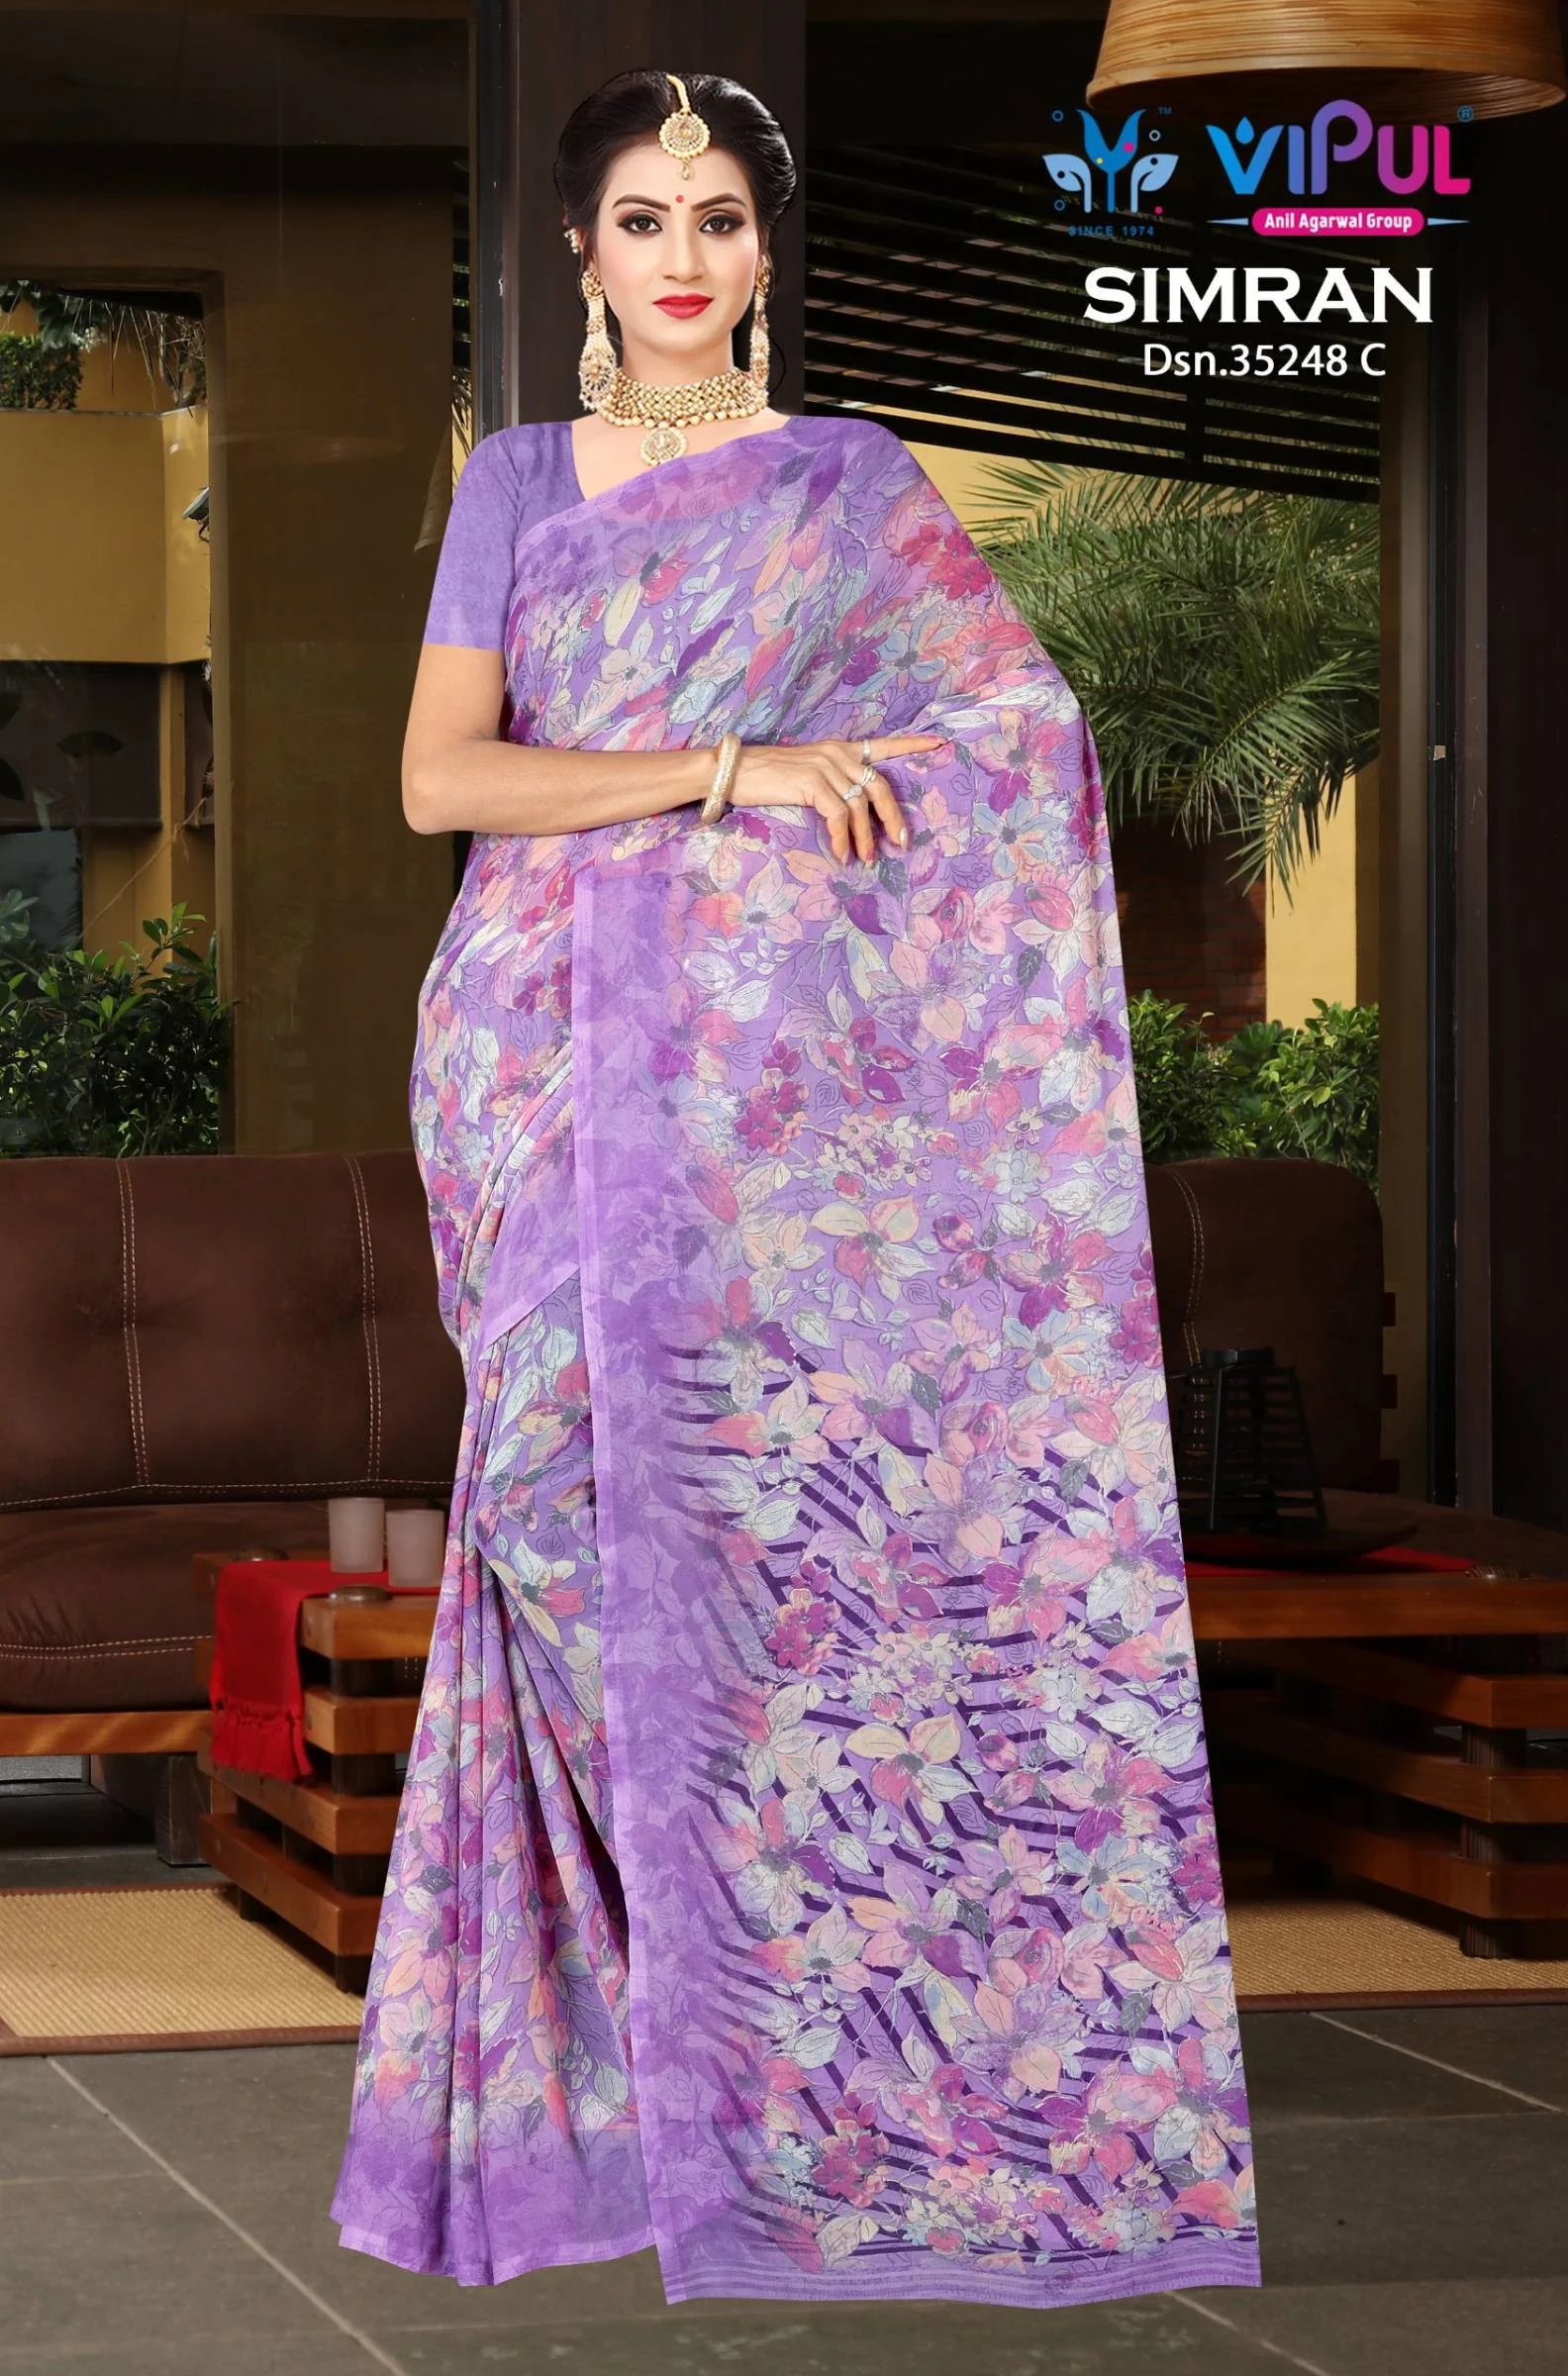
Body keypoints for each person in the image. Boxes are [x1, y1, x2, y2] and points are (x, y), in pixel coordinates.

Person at [331, 66, 1260, 2310]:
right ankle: (697, 2044)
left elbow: (1008, 739)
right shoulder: (516, 479)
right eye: (644, 218)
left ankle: (796, 2049)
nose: (684, 256)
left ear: (764, 250)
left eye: (721, 216)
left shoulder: (849, 490)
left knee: (760, 1540)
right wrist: (730, 769)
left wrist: (807, 793)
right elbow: (441, 779)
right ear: (579, 252)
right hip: (530, 1051)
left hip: (762, 1095)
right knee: (547, 1504)